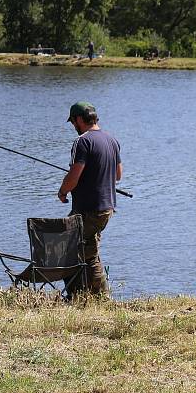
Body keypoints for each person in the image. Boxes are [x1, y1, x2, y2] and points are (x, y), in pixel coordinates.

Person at [57, 102, 122, 296]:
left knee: (71, 251)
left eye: (73, 122)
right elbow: (118, 175)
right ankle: (84, 295)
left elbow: (74, 176)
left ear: (78, 120)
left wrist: (63, 191)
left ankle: (93, 296)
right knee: (86, 248)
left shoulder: (82, 142)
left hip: (89, 209)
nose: (73, 127)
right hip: (107, 207)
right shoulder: (111, 140)